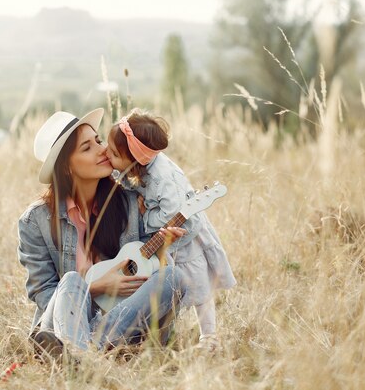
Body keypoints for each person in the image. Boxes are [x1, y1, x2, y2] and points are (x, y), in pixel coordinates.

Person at [16, 108, 188, 358]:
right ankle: (83, 351)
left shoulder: (129, 202)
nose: (102, 149)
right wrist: (95, 287)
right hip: (65, 318)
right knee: (72, 280)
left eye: (98, 140)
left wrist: (161, 245)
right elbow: (44, 294)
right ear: (66, 168)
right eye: (87, 148)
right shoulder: (35, 221)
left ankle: (78, 354)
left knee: (173, 276)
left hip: (121, 317)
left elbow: (142, 261)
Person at [105, 108, 236, 351]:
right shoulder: (141, 166)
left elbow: (170, 213)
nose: (106, 154)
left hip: (187, 237)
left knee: (198, 285)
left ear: (134, 159)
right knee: (171, 285)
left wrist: (146, 214)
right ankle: (162, 334)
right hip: (170, 238)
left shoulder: (163, 178)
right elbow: (129, 182)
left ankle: (210, 337)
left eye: (113, 154)